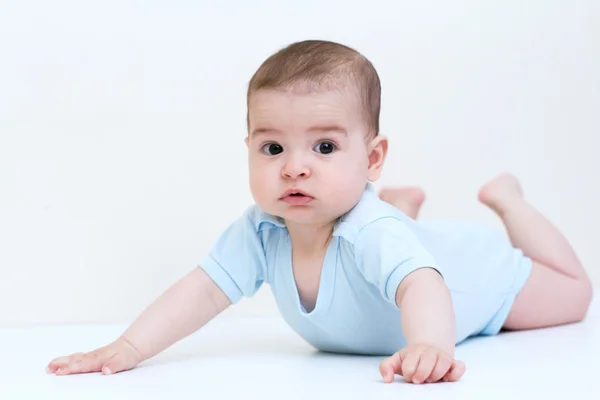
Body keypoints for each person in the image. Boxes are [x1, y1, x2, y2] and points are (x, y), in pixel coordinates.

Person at [46, 40, 593, 385]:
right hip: (401, 242)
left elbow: (422, 284)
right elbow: (202, 289)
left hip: (474, 278)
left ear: (372, 157)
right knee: (394, 242)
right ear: (250, 151)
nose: (294, 168)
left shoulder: (367, 230)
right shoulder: (261, 230)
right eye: (273, 148)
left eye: (324, 147)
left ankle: (508, 200)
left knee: (573, 294)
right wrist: (127, 347)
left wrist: (429, 345)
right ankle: (407, 210)